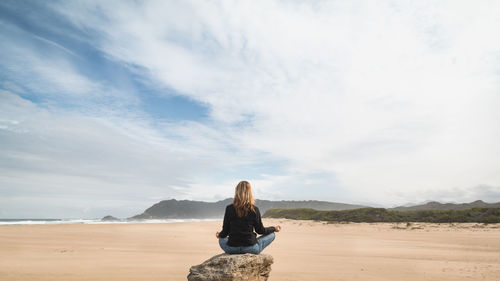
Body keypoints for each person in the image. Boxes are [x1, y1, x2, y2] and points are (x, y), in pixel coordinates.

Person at [216, 181, 281, 254]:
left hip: (231, 249)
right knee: (272, 234)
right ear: (250, 193)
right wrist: (274, 229)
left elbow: (225, 231)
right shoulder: (254, 209)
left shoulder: (229, 208)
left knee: (221, 238)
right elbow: (260, 230)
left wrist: (220, 235)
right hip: (251, 249)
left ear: (237, 192)